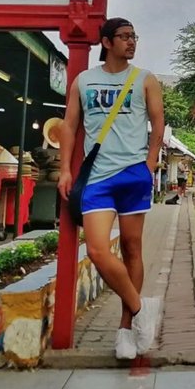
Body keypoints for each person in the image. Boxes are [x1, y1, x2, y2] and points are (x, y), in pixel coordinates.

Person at [57, 18, 164, 362]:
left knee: (133, 248)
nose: (131, 42)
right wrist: (63, 169)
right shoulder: (84, 81)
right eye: (124, 37)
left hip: (134, 175)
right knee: (98, 251)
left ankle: (125, 330)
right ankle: (140, 307)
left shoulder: (145, 79)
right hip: (99, 178)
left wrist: (149, 163)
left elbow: (157, 123)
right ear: (106, 41)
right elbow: (69, 126)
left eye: (134, 36)